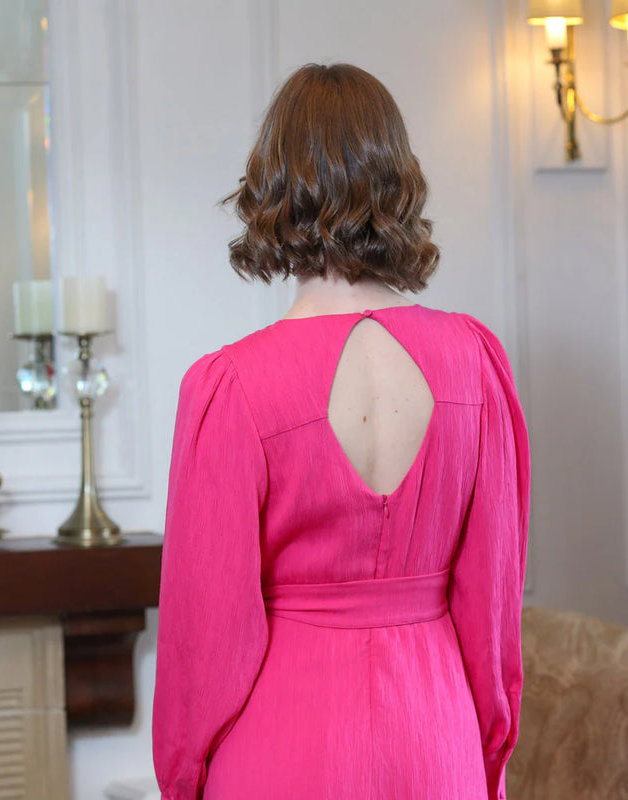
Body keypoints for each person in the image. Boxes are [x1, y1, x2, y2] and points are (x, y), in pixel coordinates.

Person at [152, 62, 530, 800]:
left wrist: (183, 779)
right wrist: (484, 757)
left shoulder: (231, 386)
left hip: (282, 745)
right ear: (397, 178)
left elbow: (206, 642)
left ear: (272, 187)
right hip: (437, 734)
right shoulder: (476, 362)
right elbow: (494, 611)